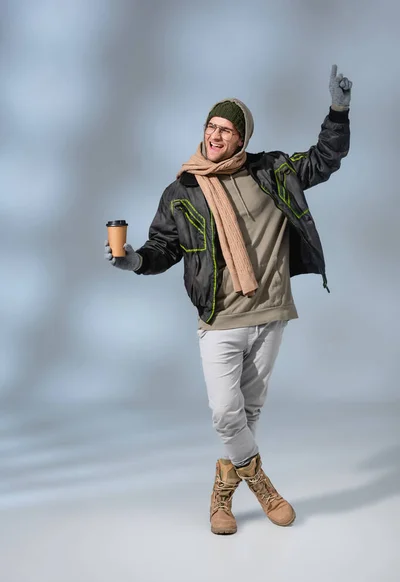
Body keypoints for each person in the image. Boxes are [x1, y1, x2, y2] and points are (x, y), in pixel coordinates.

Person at [104, 64, 352, 535]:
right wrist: (134, 261)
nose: (216, 135)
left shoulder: (272, 170)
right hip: (219, 317)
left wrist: (338, 111)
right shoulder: (183, 191)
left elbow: (325, 158)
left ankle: (222, 493)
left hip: (271, 310)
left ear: (242, 139)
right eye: (211, 126)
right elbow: (164, 248)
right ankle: (261, 485)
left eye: (227, 129)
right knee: (225, 412)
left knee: (250, 411)